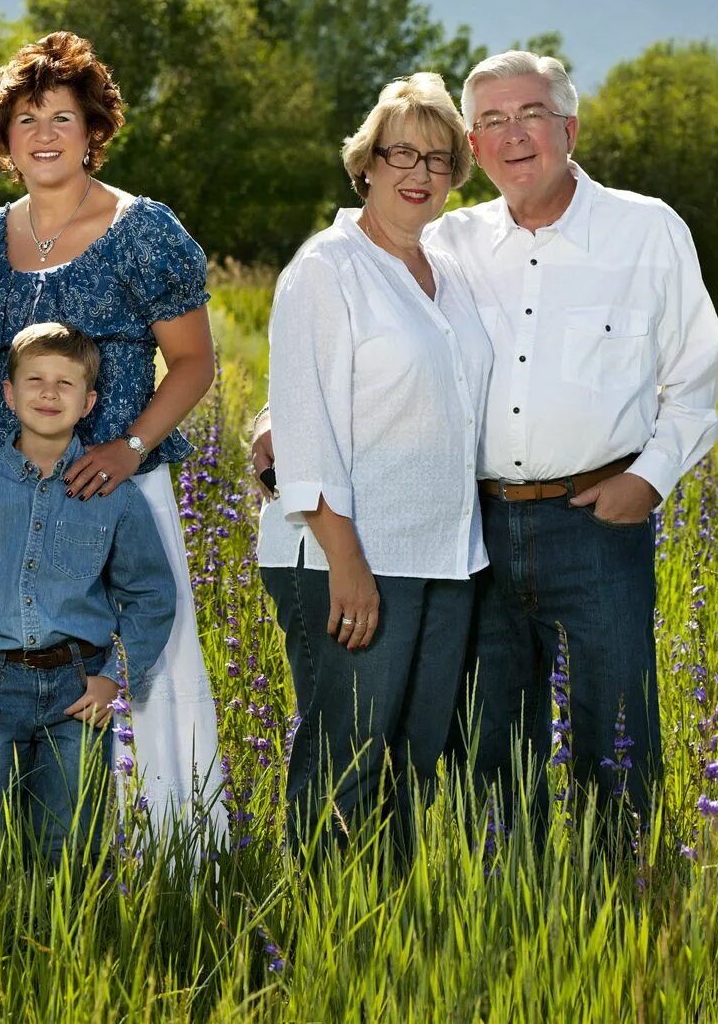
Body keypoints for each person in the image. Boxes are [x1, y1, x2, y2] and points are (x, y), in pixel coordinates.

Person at [441, 50, 718, 837]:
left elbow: (696, 381)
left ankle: (622, 892)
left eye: (530, 113)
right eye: (491, 121)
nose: (513, 135)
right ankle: (512, 902)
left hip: (599, 519)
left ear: (569, 125)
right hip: (477, 525)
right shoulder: (447, 243)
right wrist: (271, 420)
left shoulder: (646, 229)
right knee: (489, 738)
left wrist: (651, 480)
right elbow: (369, 336)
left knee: (618, 730)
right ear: (472, 144)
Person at [0, 31, 225, 850]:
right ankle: (7, 860)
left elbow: (192, 362)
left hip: (116, 491)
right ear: (5, 139)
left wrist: (129, 449)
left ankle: (169, 860)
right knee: (8, 676)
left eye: (64, 118)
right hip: (7, 502)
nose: (45, 133)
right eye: (28, 117)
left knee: (144, 671)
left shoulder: (142, 231)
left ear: (93, 132)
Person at [258, 73, 493, 854]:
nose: (420, 173)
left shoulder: (446, 275)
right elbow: (302, 420)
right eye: (403, 154)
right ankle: (318, 938)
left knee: (410, 763)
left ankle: (381, 935)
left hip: (444, 555)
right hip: (349, 555)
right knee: (345, 764)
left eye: (439, 158)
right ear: (367, 165)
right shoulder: (328, 268)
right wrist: (347, 558)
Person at [0, 322, 179, 860]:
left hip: (80, 688)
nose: (48, 392)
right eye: (35, 379)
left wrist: (115, 678)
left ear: (88, 402)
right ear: (9, 393)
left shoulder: (115, 494)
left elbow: (151, 595)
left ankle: (67, 942)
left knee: (72, 842)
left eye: (65, 384)